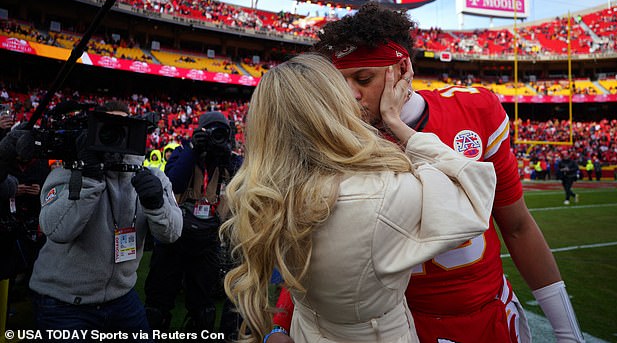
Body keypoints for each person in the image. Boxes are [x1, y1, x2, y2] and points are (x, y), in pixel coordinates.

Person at [270, 2, 585, 343]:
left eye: (364, 79)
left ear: (402, 67)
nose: (350, 95)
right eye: (340, 82)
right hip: (401, 326)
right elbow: (314, 248)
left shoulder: (474, 109)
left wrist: (568, 332)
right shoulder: (333, 138)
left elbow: (518, 226)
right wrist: (280, 323)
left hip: (488, 314)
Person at [222, 54, 496, 343]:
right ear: (331, 106)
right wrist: (398, 123)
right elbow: (474, 189)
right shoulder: (384, 194)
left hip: (308, 331)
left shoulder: (259, 194)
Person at [27, 100, 183, 341]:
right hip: (63, 301)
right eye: (107, 127)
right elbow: (56, 230)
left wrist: (156, 205)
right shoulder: (66, 173)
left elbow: (172, 234)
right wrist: (88, 179)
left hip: (121, 297)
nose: (116, 136)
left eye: (124, 128)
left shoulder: (151, 177)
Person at [144, 111, 243, 335]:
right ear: (201, 132)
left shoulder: (229, 160)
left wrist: (225, 155)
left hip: (207, 241)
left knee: (204, 310)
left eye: (222, 133)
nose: (216, 137)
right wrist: (194, 150)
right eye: (212, 132)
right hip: (174, 236)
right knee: (157, 305)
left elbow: (245, 181)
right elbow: (175, 184)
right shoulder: (182, 152)